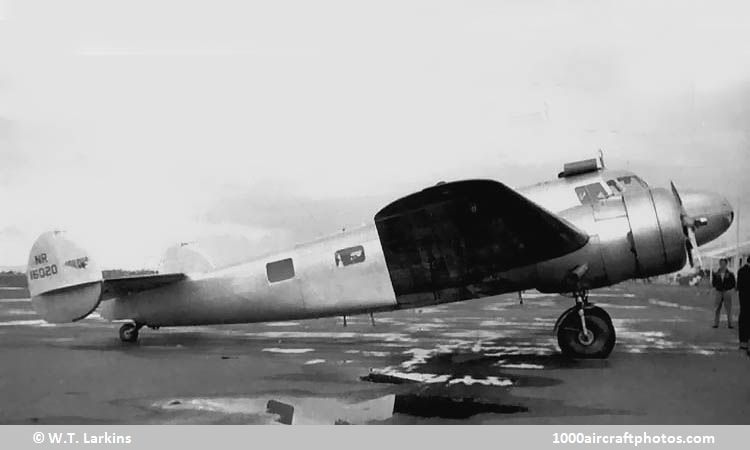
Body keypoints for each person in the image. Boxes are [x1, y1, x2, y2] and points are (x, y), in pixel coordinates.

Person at [712, 258, 736, 329]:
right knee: (717, 308)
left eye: (723, 263)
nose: (722, 265)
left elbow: (733, 283)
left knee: (728, 308)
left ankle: (730, 324)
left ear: (726, 264)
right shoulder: (716, 274)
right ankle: (716, 323)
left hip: (727, 292)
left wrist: (729, 288)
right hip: (719, 292)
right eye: (721, 263)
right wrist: (716, 287)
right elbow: (713, 283)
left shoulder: (730, 274)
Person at [737, 257, 750, 353]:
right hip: (746, 299)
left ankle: (743, 344)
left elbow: (739, 286)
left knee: (743, 320)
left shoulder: (741, 271)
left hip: (743, 300)